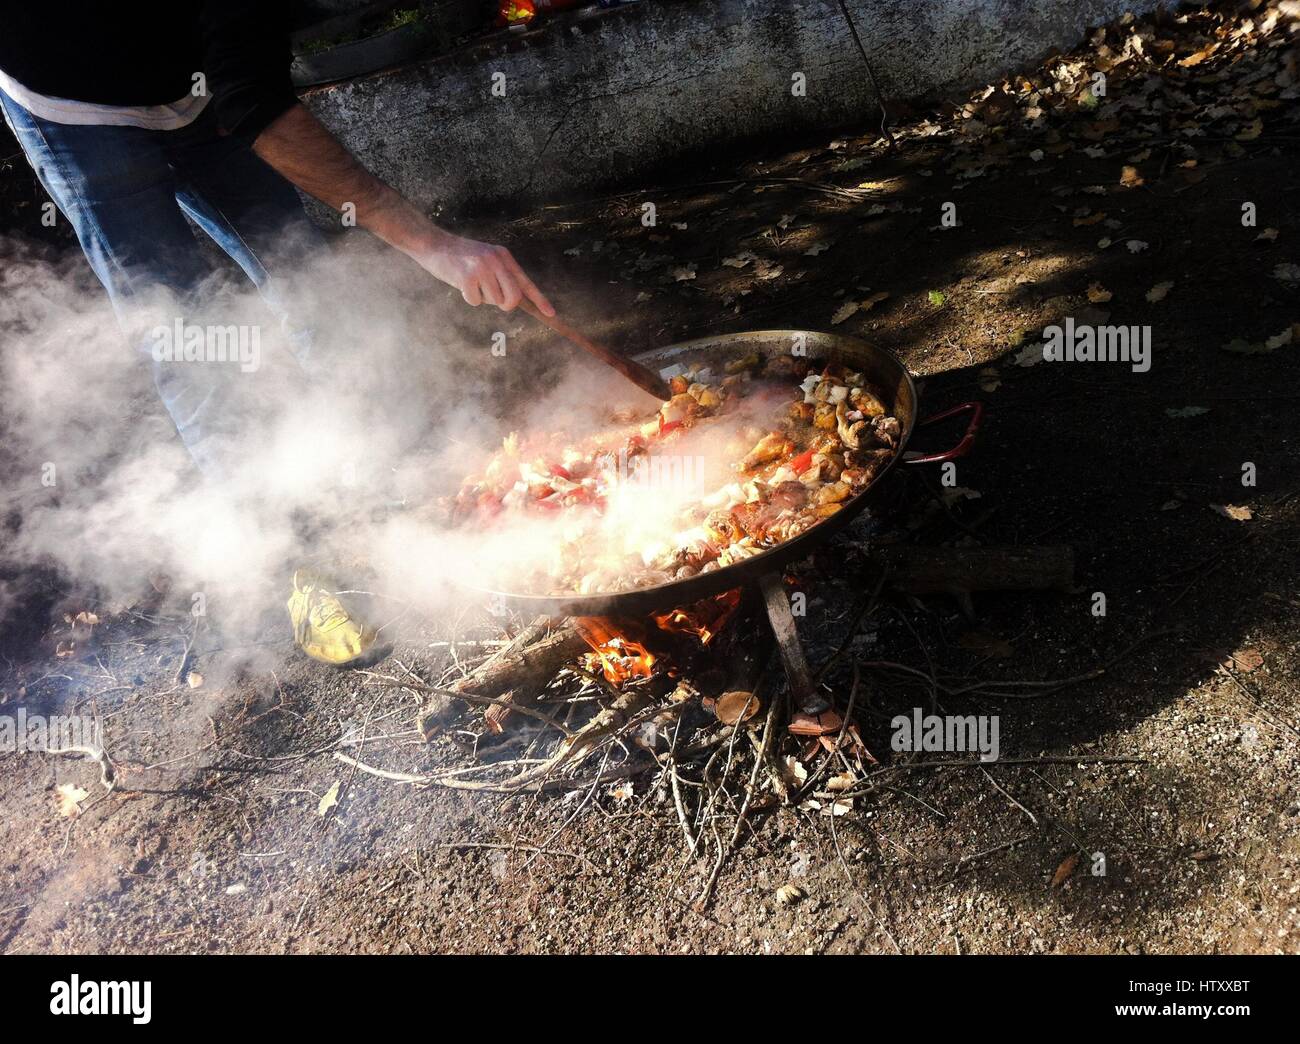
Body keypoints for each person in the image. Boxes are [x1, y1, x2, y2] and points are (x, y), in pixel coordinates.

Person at [0, 2, 552, 664]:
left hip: (196, 77)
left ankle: (397, 492)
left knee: (306, 279)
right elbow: (258, 103)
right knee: (184, 338)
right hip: (71, 103)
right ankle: (300, 569)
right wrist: (433, 246)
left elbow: (246, 88)